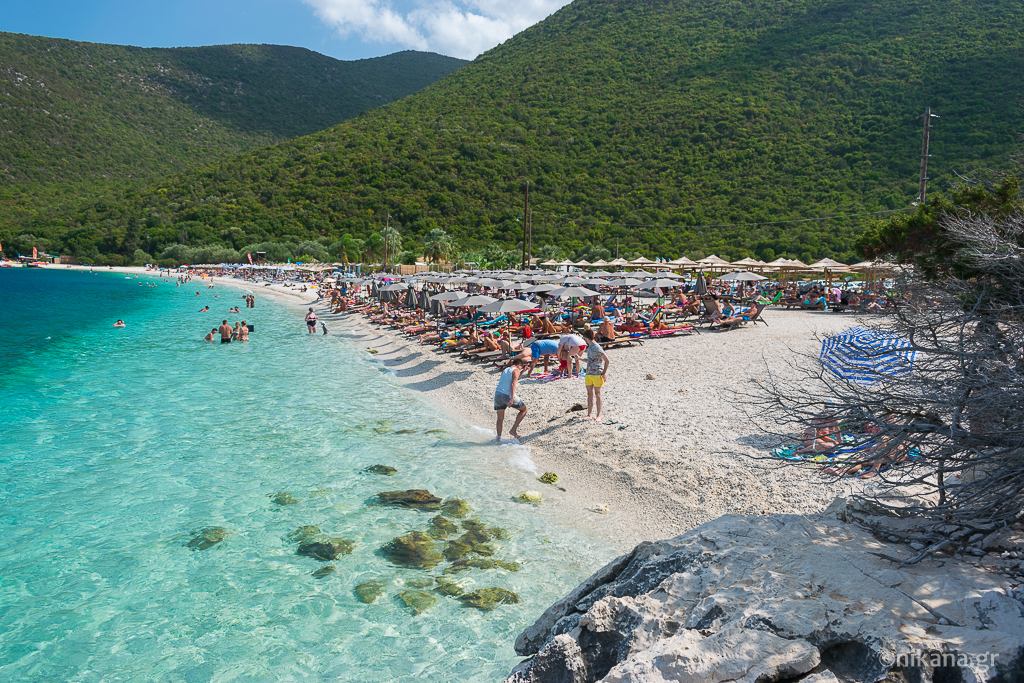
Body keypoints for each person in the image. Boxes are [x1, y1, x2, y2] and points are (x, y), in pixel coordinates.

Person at [494, 358, 528, 441]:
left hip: (498, 394)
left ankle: (498, 438)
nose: (519, 370)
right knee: (524, 410)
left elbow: (512, 379)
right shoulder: (516, 370)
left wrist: (523, 371)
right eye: (520, 368)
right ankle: (513, 430)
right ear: (518, 365)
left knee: (500, 418)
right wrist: (512, 398)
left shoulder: (505, 370)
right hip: (507, 395)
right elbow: (513, 383)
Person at [581, 329, 609, 421]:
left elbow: (607, 360)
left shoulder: (597, 347)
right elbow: (590, 360)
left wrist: (604, 373)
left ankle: (598, 415)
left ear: (586, 338)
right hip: (589, 374)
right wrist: (579, 358)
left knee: (597, 395)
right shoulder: (589, 347)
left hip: (597, 374)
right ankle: (589, 414)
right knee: (589, 394)